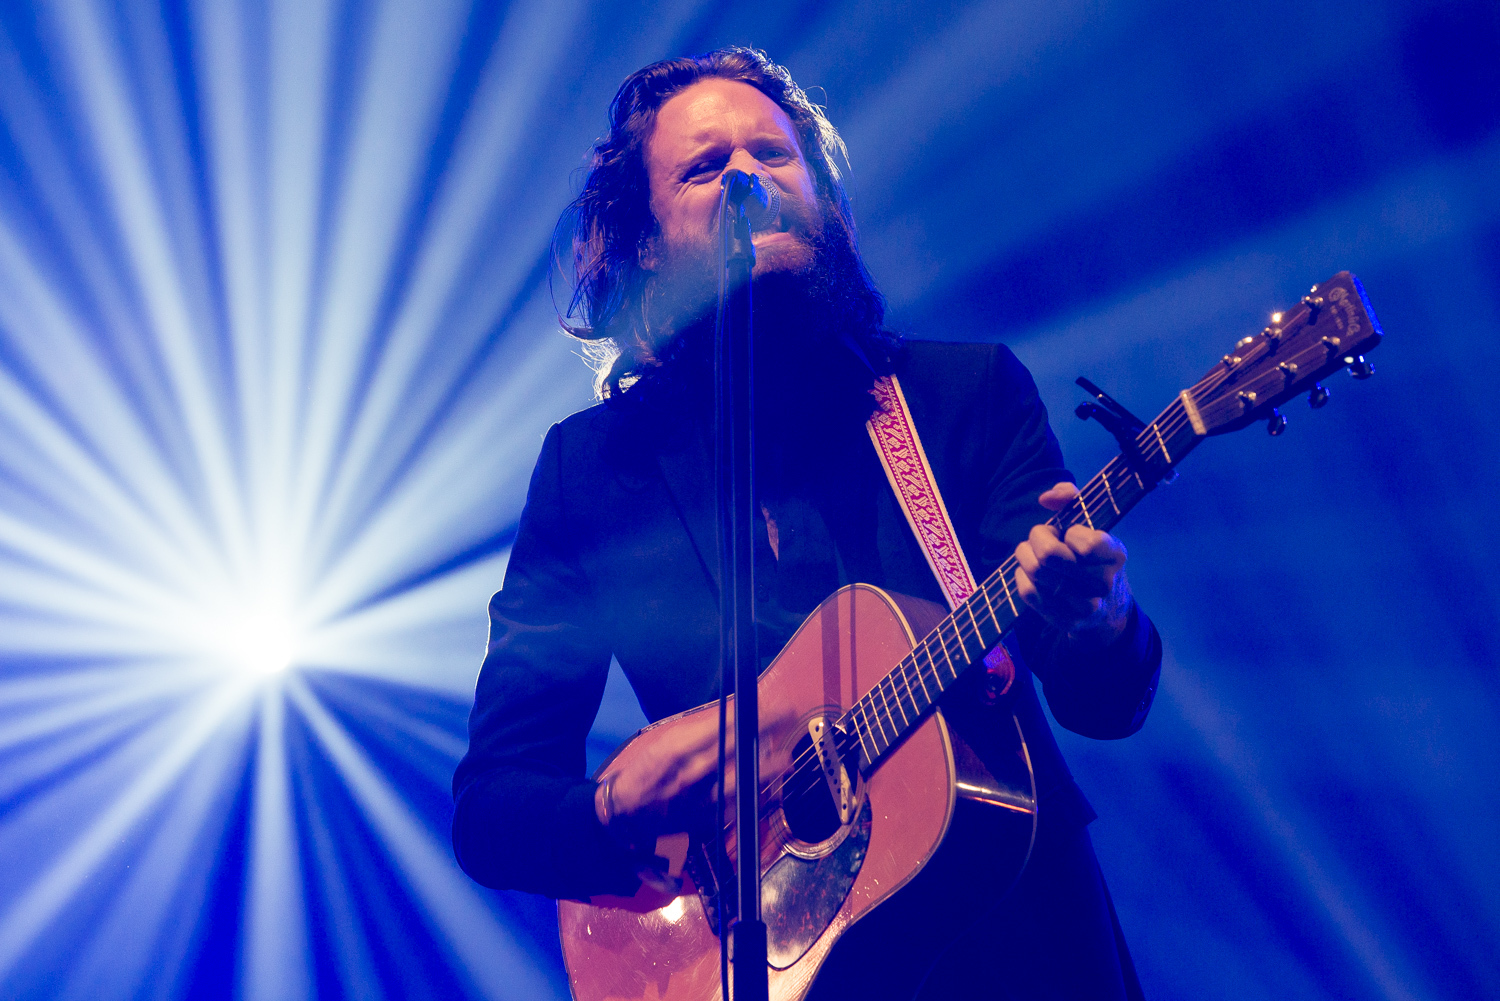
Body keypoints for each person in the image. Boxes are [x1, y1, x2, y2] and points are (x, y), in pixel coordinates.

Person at [452, 47, 1161, 1000]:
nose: (748, 177)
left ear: (821, 202)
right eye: (706, 169)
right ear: (648, 246)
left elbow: (1101, 704)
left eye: (773, 157)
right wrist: (615, 806)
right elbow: (493, 803)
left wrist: (1099, 623)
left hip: (1014, 938)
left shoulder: (962, 396)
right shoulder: (591, 474)